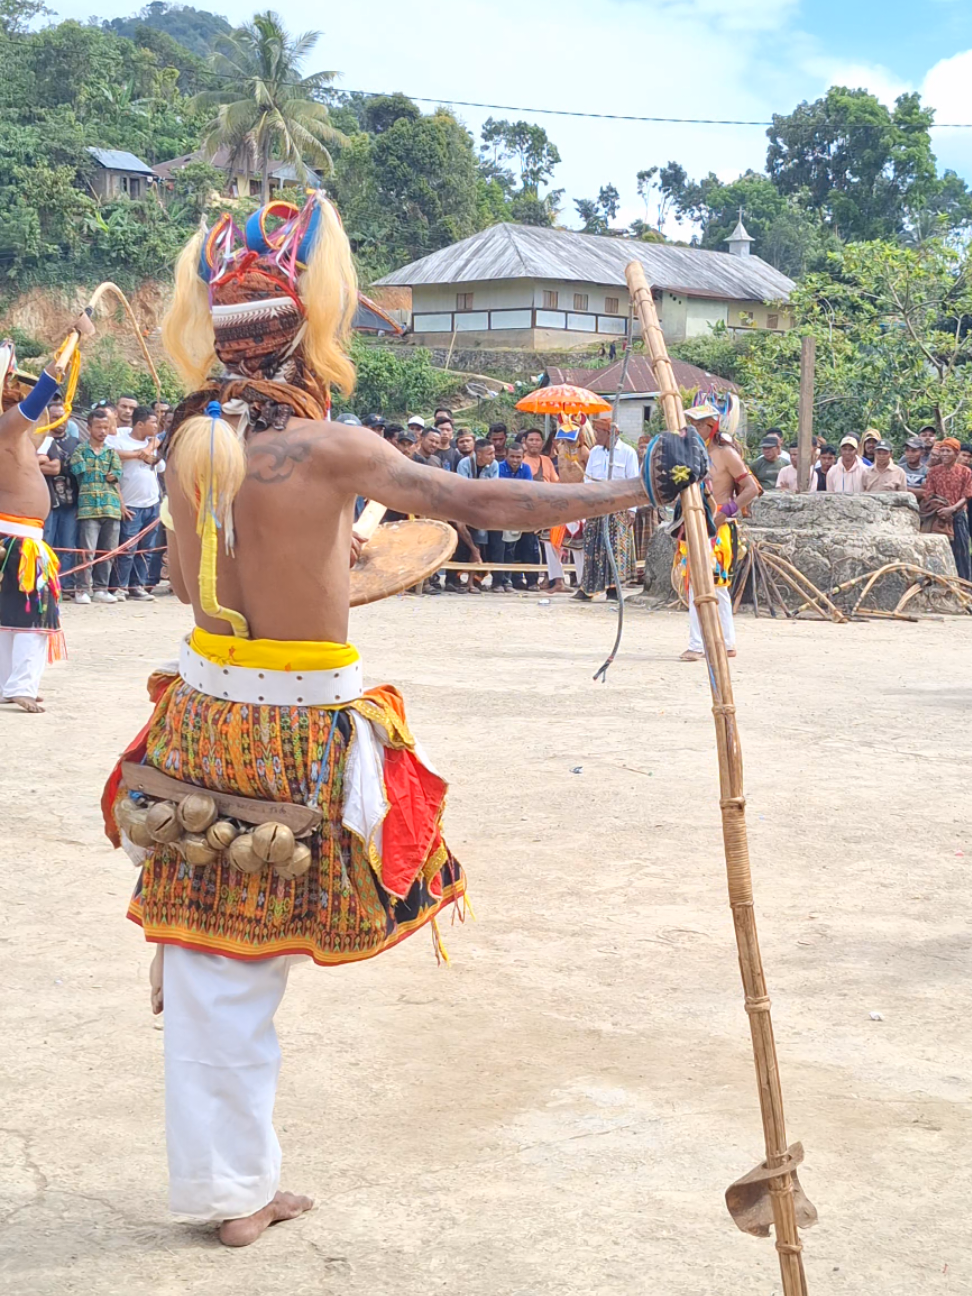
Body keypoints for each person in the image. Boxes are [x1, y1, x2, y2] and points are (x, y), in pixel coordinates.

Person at [100, 193, 664, 1249]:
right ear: (307, 335)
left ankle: (240, 1181)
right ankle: (233, 1197)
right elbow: (480, 504)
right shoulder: (326, 449)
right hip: (288, 731)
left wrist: (318, 565)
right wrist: (636, 489)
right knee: (241, 977)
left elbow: (190, 582)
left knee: (219, 968)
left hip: (204, 720)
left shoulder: (188, 444)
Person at [0, 358, 68, 712]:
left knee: (9, 617)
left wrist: (70, 351)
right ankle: (21, 685)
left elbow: (42, 416)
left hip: (15, 537)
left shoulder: (18, 436)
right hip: (18, 540)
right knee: (31, 616)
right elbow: (38, 400)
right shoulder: (5, 428)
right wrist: (53, 372)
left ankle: (10, 685)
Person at [678, 400, 759, 663]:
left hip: (719, 526)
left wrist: (727, 511)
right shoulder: (688, 454)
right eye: (693, 423)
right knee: (694, 583)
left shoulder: (726, 455)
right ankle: (706, 641)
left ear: (711, 427)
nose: (695, 428)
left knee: (716, 585)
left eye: (700, 424)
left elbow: (751, 488)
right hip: (694, 523)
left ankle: (715, 642)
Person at [573, 413, 640, 602]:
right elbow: (588, 479)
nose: (596, 435)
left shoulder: (628, 452)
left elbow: (633, 481)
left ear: (610, 433)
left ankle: (613, 589)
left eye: (599, 431)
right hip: (596, 507)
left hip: (618, 507)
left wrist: (632, 509)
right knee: (592, 547)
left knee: (616, 549)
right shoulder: (595, 452)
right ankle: (587, 589)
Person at [70, 407, 124, 603]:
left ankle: (101, 589)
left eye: (105, 427)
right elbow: (80, 472)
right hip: (88, 508)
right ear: (89, 427)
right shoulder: (80, 450)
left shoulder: (111, 452)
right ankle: (82, 589)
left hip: (111, 507)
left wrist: (111, 475)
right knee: (87, 551)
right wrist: (107, 475)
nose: (102, 431)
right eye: (98, 427)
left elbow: (117, 474)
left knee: (108, 552)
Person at [108, 404, 161, 601]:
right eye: (153, 422)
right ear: (140, 424)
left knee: (145, 550)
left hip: (151, 503)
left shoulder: (154, 442)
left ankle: (137, 586)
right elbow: (114, 456)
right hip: (131, 504)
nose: (157, 425)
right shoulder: (121, 440)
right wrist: (145, 450)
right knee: (127, 548)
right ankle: (119, 586)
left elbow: (158, 465)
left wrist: (150, 449)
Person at [38, 399, 81, 598]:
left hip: (71, 501)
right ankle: (45, 584)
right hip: (47, 499)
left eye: (62, 417)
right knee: (47, 543)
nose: (59, 421)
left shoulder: (76, 443)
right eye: (54, 417)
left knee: (68, 545)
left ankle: (66, 585)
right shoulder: (42, 440)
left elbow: (62, 469)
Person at [921, 437, 972, 581]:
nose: (944, 453)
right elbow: (928, 494)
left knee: (962, 552)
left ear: (956, 453)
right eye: (942, 450)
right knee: (937, 552)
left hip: (958, 516)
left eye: (947, 450)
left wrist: (952, 509)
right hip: (938, 517)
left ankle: (964, 586)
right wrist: (941, 509)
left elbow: (967, 495)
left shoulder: (965, 471)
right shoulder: (933, 471)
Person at [522, 427, 565, 592]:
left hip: (548, 508)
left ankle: (552, 579)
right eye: (531, 440)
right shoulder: (522, 460)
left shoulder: (546, 460)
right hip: (528, 509)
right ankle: (530, 580)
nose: (534, 443)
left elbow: (556, 482)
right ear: (525, 443)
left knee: (550, 545)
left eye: (537, 440)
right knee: (529, 546)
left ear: (542, 442)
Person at [498, 442, 540, 590]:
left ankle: (532, 581)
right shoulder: (499, 467)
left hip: (524, 513)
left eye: (518, 457)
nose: (515, 460)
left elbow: (528, 490)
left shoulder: (526, 468)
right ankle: (510, 580)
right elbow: (502, 490)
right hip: (505, 513)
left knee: (529, 546)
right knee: (509, 548)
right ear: (506, 456)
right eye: (512, 457)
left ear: (523, 457)